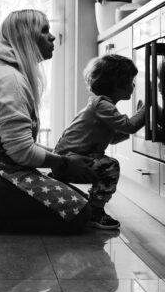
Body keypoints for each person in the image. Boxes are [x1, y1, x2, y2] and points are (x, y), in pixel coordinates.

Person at [0, 9, 98, 234]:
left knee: (81, 202)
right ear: (27, 38)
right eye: (44, 31)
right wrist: (62, 162)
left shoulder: (5, 73)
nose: (52, 37)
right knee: (79, 214)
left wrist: (61, 158)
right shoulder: (11, 80)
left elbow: (18, 145)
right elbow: (21, 151)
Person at [52, 54, 146, 230]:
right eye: (130, 81)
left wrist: (134, 124)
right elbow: (129, 126)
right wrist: (147, 109)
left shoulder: (100, 104)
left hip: (70, 158)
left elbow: (113, 137)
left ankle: (80, 198)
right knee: (111, 166)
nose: (133, 85)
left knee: (106, 164)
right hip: (71, 160)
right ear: (117, 84)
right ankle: (96, 211)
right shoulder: (102, 104)